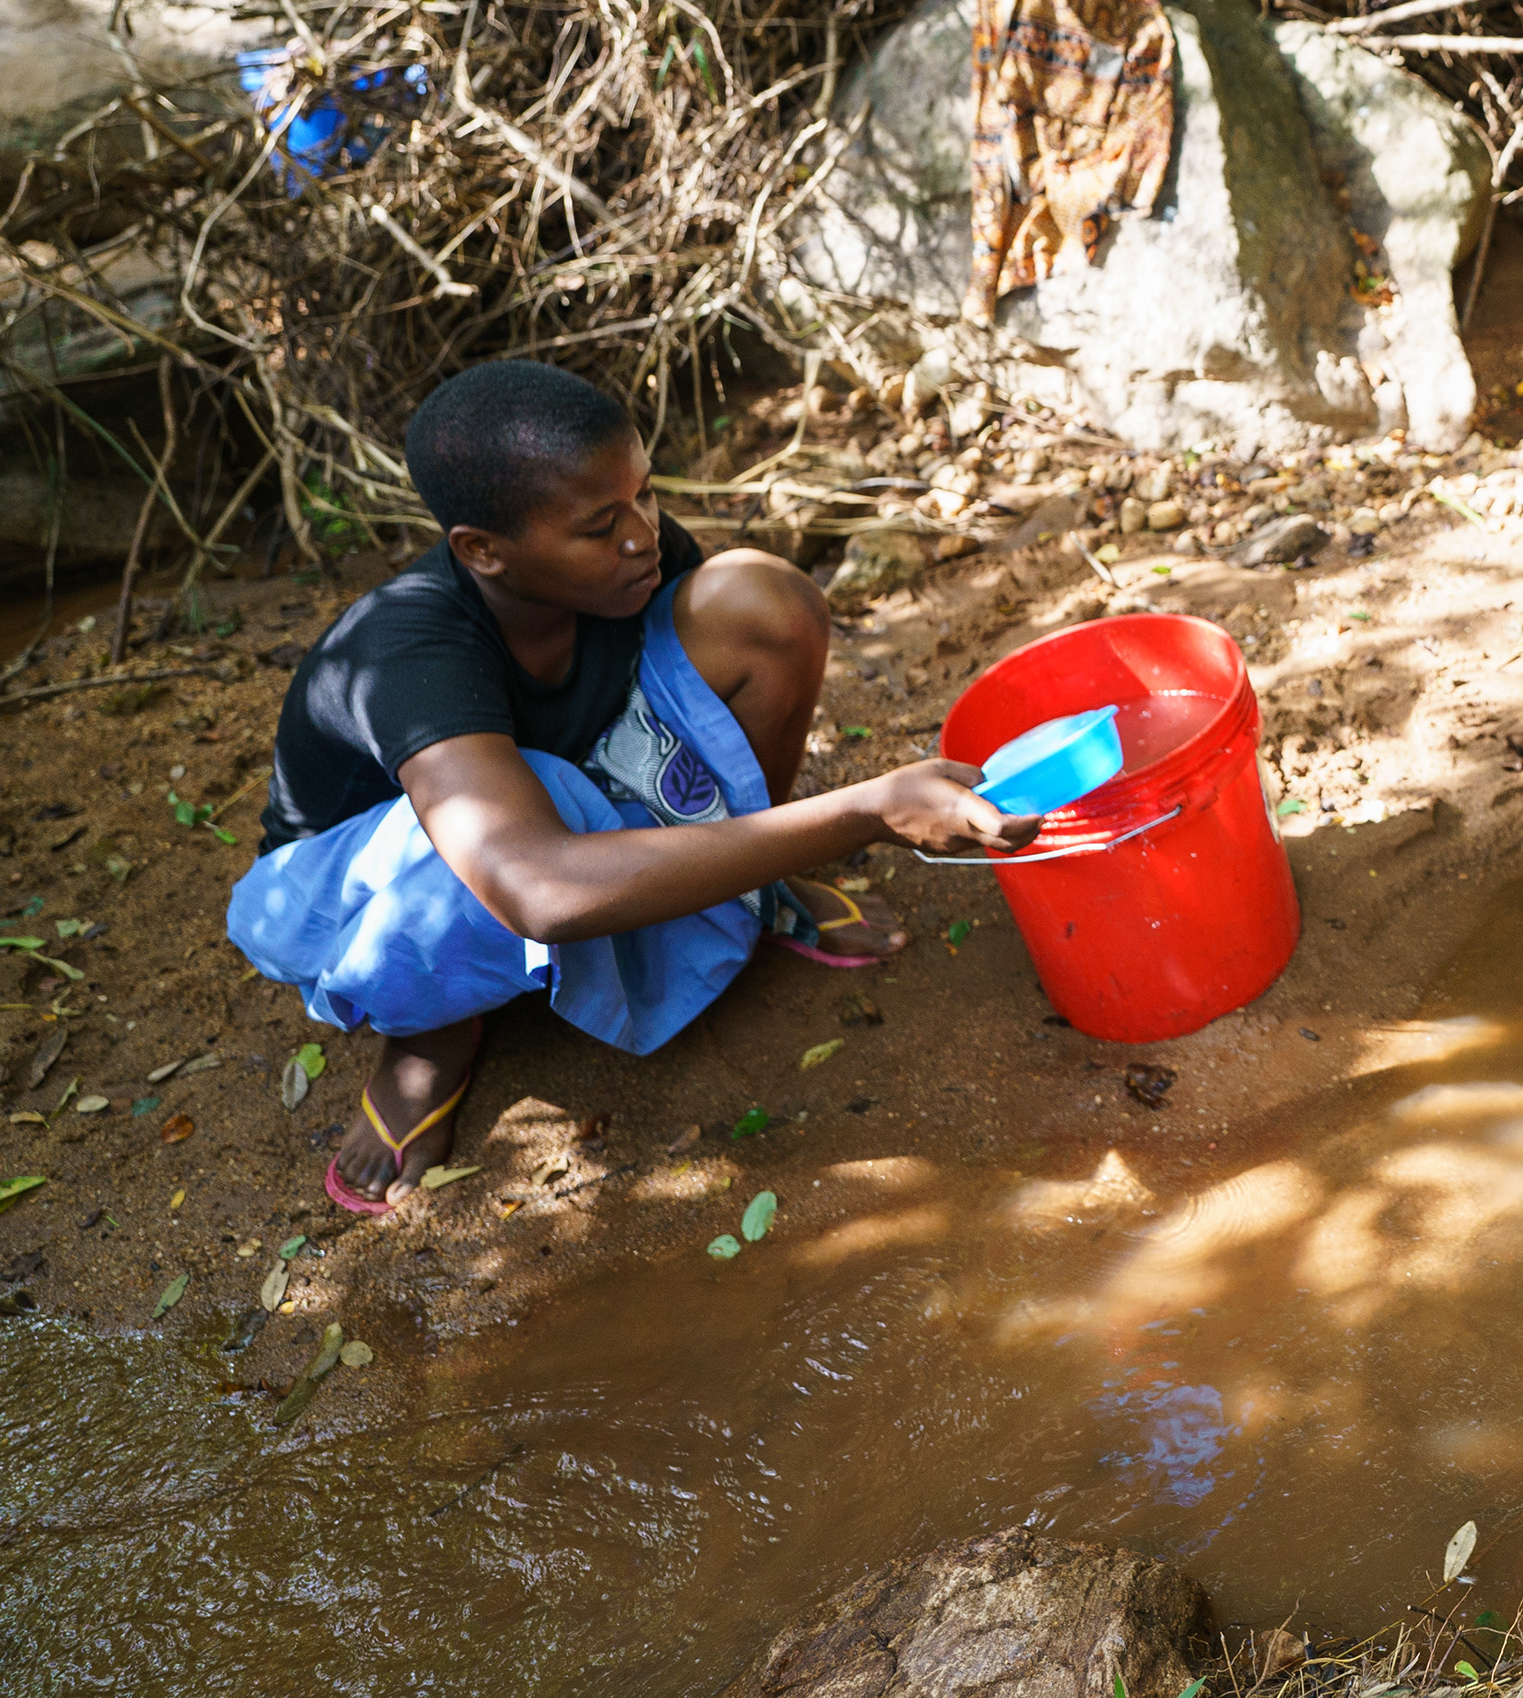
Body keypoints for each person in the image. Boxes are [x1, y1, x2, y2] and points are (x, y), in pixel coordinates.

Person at [230, 361, 1034, 1211]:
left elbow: (727, 636)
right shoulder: (410, 653)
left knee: (763, 600)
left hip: (557, 810)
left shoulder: (627, 560)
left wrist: (786, 829)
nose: (643, 535)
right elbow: (534, 886)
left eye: (645, 495)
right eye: (600, 524)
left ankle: (754, 882)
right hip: (364, 894)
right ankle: (426, 1038)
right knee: (518, 813)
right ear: (482, 551)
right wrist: (862, 812)